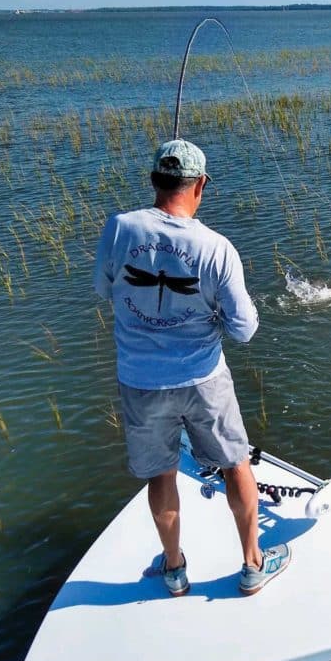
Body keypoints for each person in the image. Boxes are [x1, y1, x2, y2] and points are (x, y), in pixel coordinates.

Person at [93, 139, 291, 597]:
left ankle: (174, 568)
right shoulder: (216, 248)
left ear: (153, 181)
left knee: (162, 474)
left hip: (140, 382)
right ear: (200, 185)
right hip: (205, 379)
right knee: (235, 464)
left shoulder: (119, 229)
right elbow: (244, 329)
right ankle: (252, 564)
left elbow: (105, 290)